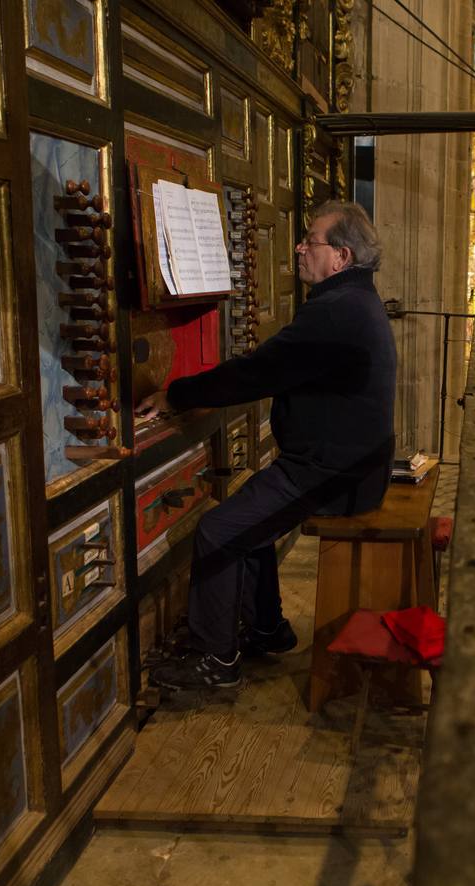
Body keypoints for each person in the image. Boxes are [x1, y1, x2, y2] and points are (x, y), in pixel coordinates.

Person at [140, 201, 394, 690]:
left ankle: (215, 660)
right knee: (247, 513)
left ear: (340, 256)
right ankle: (267, 629)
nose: (299, 247)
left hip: (334, 473)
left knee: (218, 530)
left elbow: (258, 372)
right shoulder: (354, 300)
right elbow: (272, 368)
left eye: (310, 239)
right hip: (347, 463)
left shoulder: (339, 311)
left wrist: (176, 394)